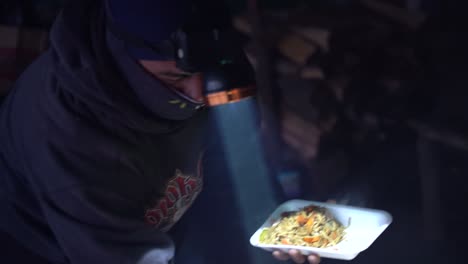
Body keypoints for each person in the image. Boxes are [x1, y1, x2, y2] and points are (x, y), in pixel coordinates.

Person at [0, 0, 320, 263]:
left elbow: (229, 174)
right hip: (56, 248)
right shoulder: (66, 134)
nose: (198, 95)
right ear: (124, 57)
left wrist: (272, 227)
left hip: (162, 225)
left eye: (205, 72)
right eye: (175, 79)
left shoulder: (212, 69)